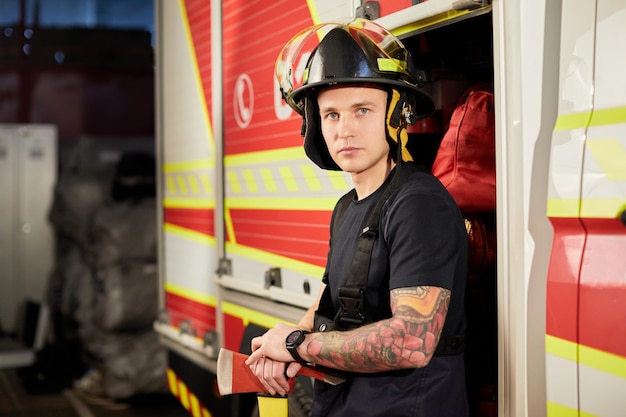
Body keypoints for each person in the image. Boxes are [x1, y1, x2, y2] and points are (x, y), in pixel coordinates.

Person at [246, 18, 469, 417]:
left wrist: (296, 344)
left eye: (362, 110)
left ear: (396, 114)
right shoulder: (347, 207)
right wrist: (277, 347)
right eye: (331, 115)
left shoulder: (418, 203)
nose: (344, 129)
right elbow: (325, 307)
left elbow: (412, 342)